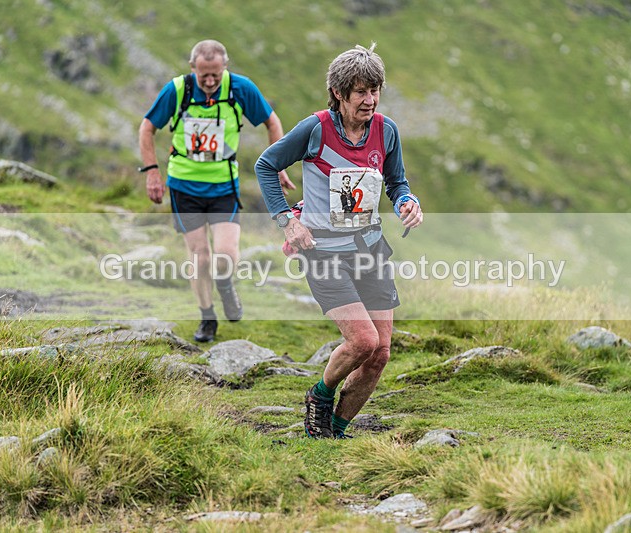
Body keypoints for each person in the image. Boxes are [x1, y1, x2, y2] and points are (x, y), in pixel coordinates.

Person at [254, 43, 423, 438]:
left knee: (380, 353)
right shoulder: (314, 129)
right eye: (361, 92)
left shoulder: (386, 130)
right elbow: (266, 165)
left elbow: (397, 182)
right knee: (362, 341)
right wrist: (287, 223)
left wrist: (407, 202)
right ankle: (320, 396)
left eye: (375, 90)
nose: (370, 100)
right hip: (325, 253)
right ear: (339, 93)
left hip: (371, 250)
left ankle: (336, 430)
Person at [139, 39, 295, 342]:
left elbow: (272, 123)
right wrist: (152, 172)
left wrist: (278, 165)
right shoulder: (178, 90)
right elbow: (147, 127)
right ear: (192, 68)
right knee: (199, 256)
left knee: (225, 254)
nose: (209, 82)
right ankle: (207, 317)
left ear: (225, 67)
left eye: (215, 74)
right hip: (184, 185)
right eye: (203, 75)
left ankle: (225, 285)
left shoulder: (240, 88)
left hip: (224, 184)